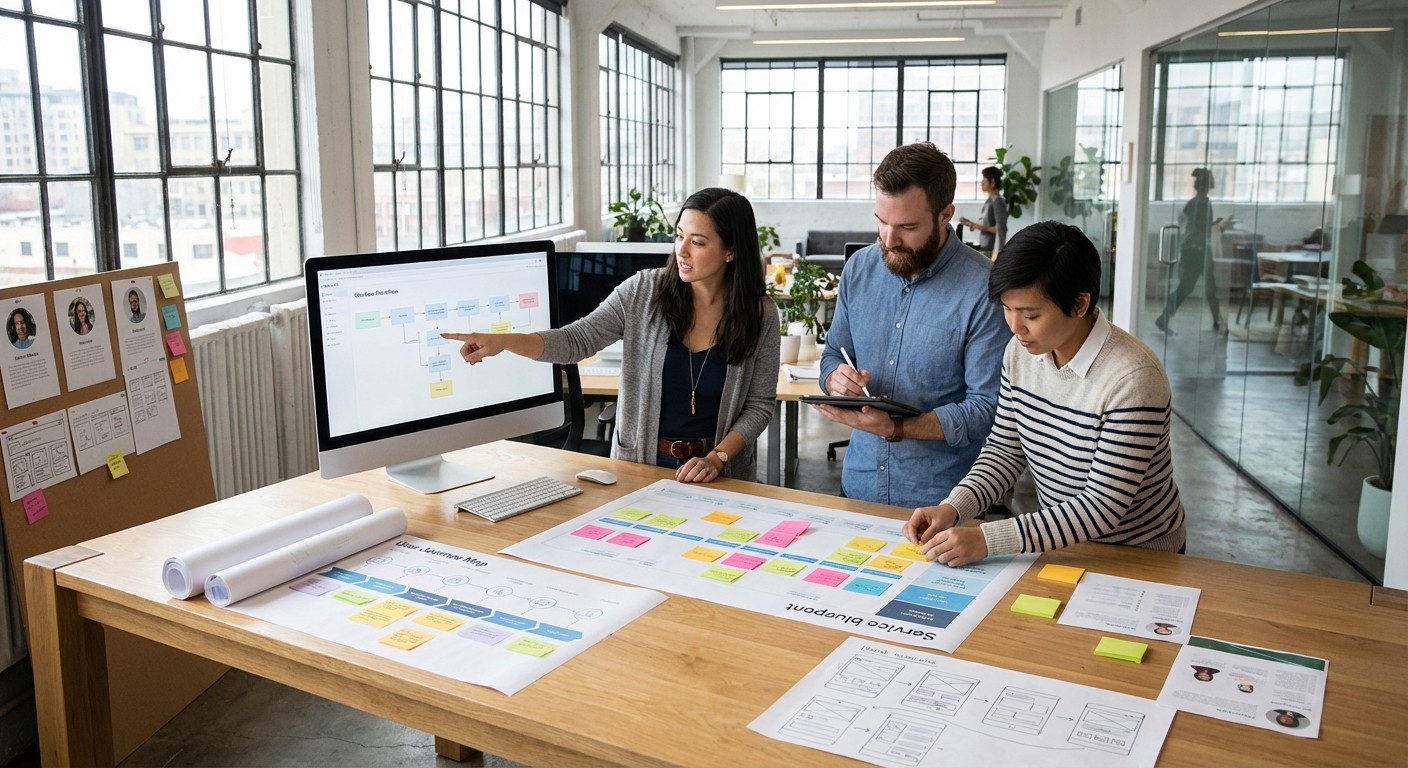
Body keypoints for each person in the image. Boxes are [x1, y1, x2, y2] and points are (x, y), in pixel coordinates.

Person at [443, 187, 779, 484]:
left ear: (730, 251)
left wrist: (717, 458)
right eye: (679, 236)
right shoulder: (643, 292)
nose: (682, 251)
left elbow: (759, 405)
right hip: (641, 466)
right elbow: (577, 340)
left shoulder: (760, 314)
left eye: (698, 242)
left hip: (720, 472)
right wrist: (506, 342)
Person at [902, 221, 1187, 567]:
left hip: (1139, 556)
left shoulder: (1134, 378)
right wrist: (954, 508)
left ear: (1080, 304)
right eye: (1007, 308)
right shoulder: (1020, 353)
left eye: (1031, 314)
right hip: (1062, 545)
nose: (1014, 326)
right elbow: (1006, 450)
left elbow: (1103, 506)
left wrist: (988, 538)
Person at [815, 142, 1009, 510]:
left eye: (907, 226)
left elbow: (988, 409)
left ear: (945, 214)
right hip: (857, 488)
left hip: (943, 505)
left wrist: (898, 428)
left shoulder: (984, 288)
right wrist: (835, 378)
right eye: (881, 222)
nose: (889, 240)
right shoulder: (859, 269)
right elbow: (831, 355)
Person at [1156, 167, 1233, 334]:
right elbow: (1198, 227)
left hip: (1195, 249)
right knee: (1196, 288)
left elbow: (1194, 224)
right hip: (1197, 251)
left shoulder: (1196, 202)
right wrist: (1217, 225)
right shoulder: (1202, 202)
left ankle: (1216, 322)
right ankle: (1216, 323)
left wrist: (1212, 225)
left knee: (1202, 288)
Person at [960, 165, 1008, 258]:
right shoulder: (989, 201)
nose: (981, 182)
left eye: (984, 179)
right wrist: (974, 225)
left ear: (993, 182)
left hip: (991, 249)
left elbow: (1000, 229)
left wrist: (980, 227)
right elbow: (988, 224)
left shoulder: (997, 201)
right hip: (985, 247)